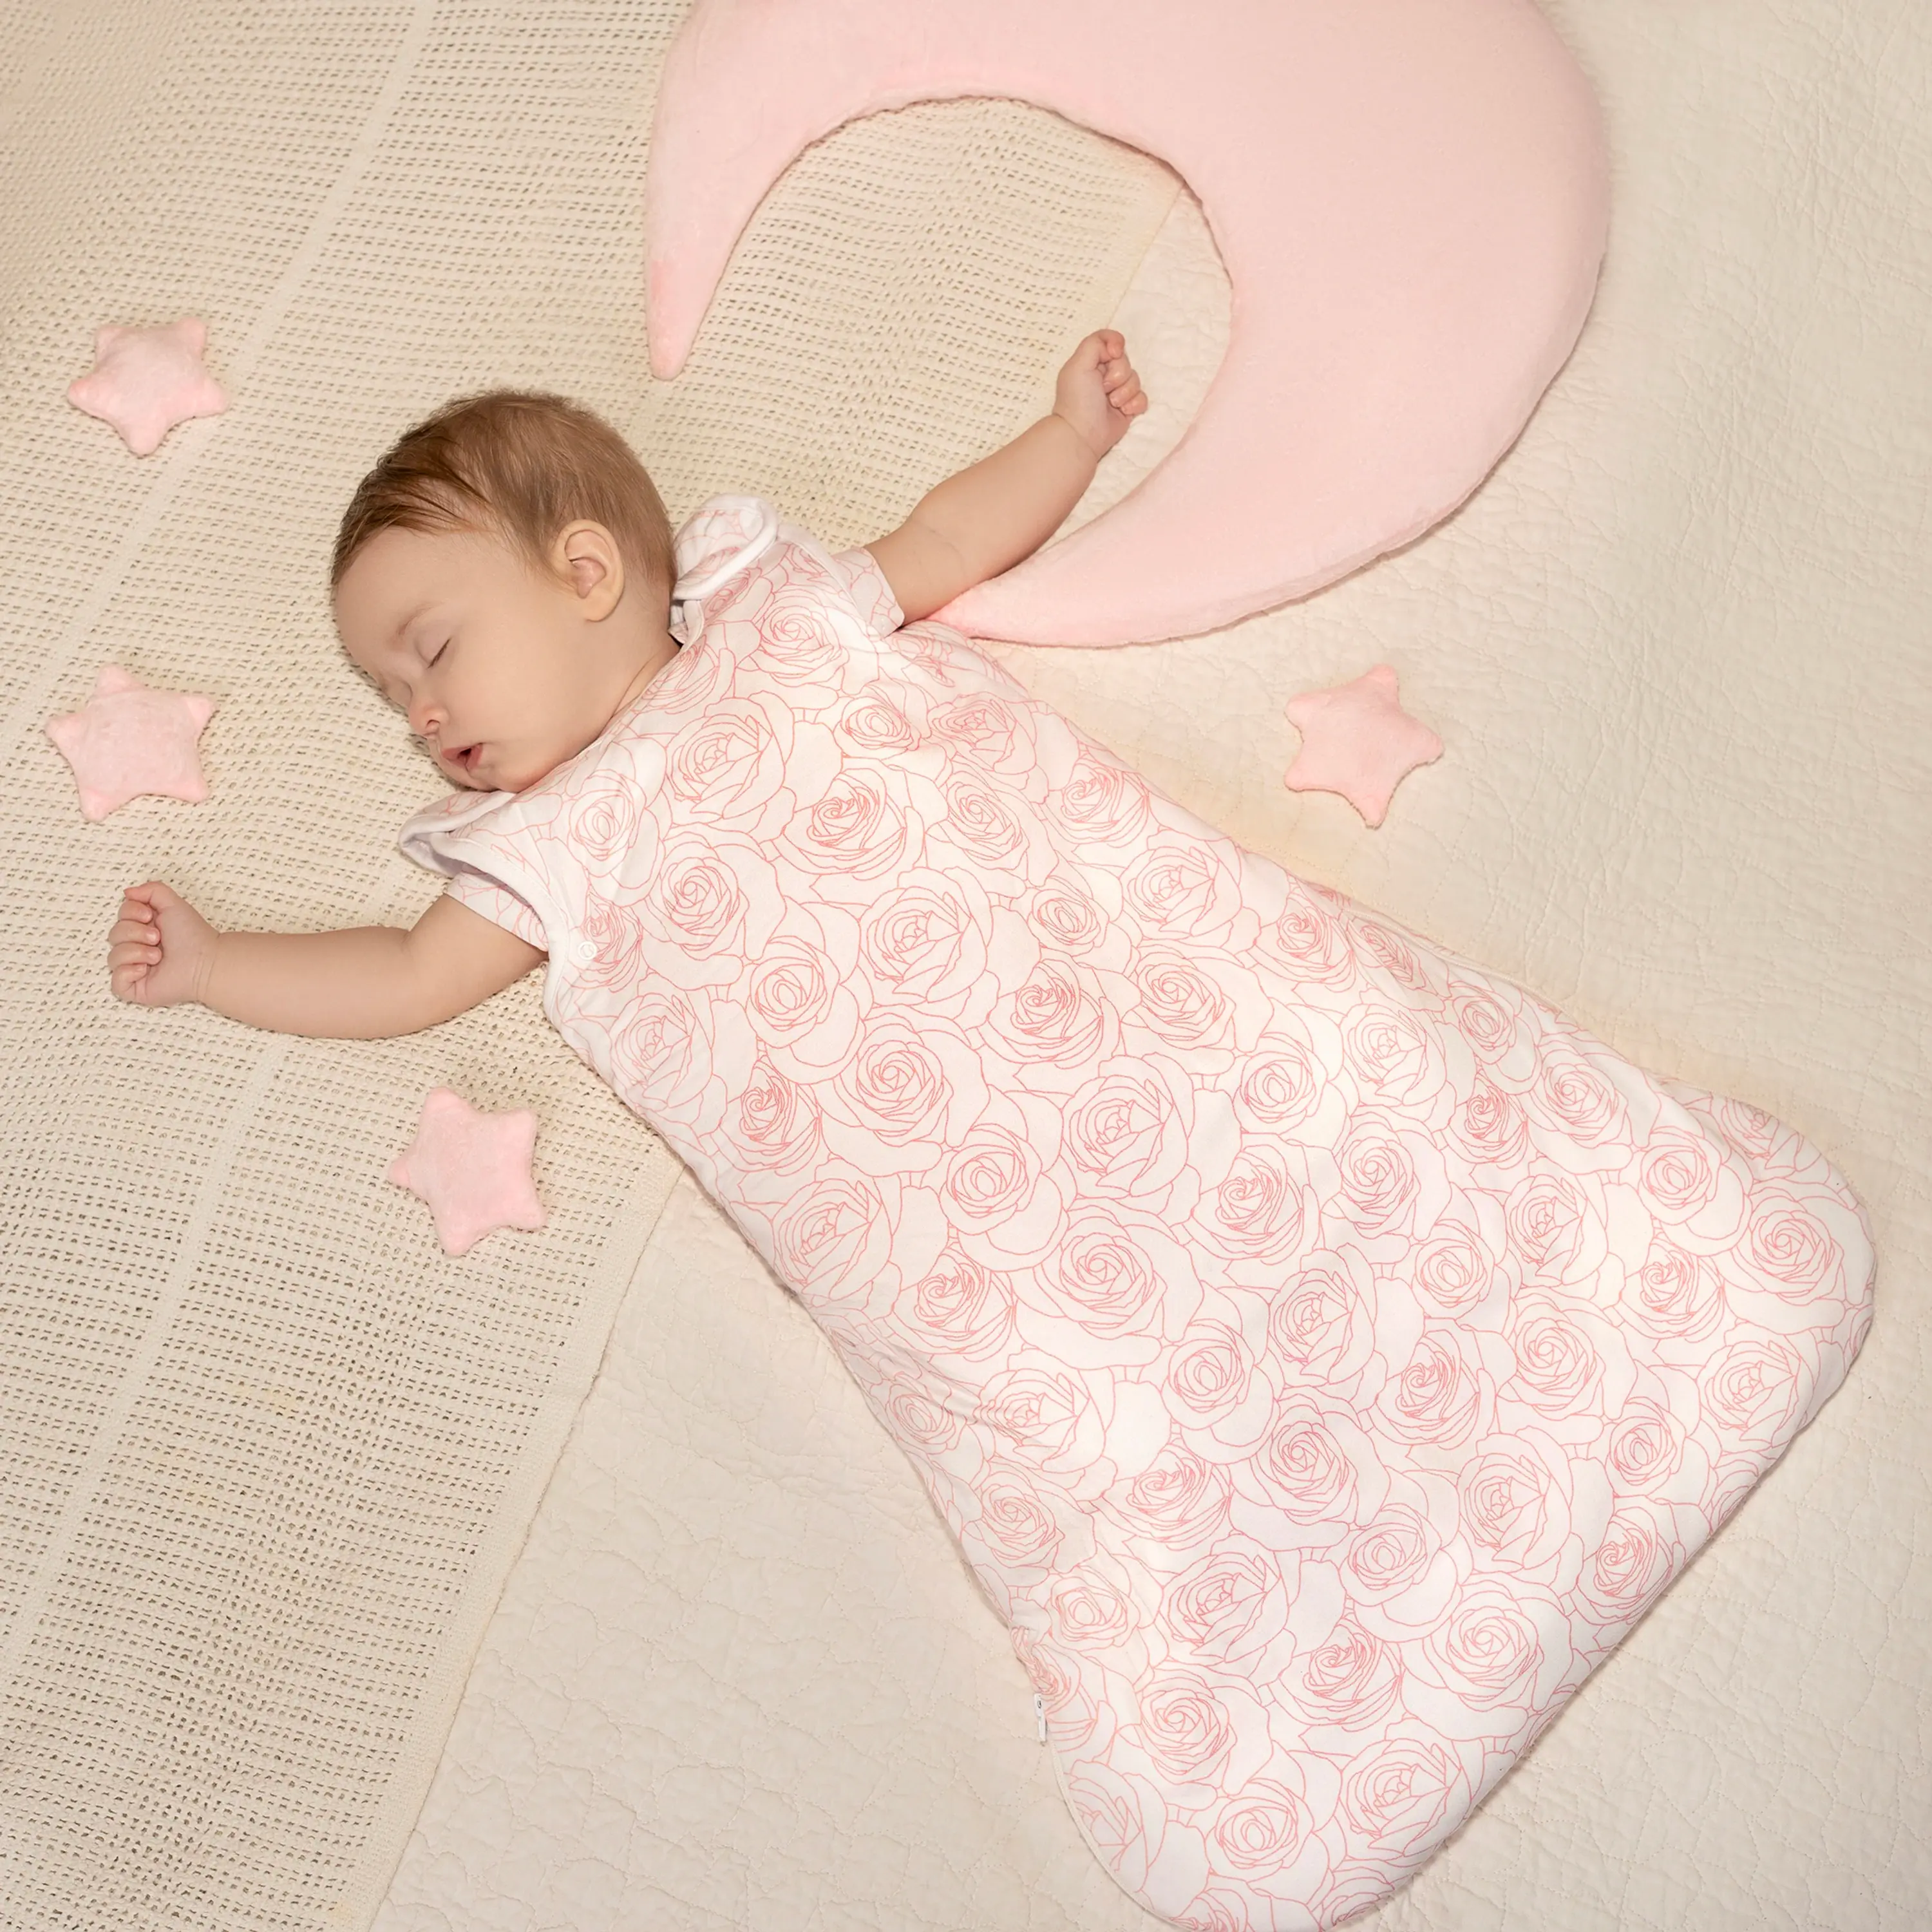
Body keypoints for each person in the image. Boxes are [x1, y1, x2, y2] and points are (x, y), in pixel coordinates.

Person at [100, 330, 1873, 1932]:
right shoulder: (543, 862)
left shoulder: (785, 616)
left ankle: (1656, 1297)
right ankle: (1286, 1709)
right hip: (959, 1211)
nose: (421, 718)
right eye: (391, 701)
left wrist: (1065, 438)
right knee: (1074, 1388)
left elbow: (947, 539)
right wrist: (221, 968)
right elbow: (408, 976)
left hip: (1123, 999)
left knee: (1340, 1067)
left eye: (430, 653)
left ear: (585, 568)